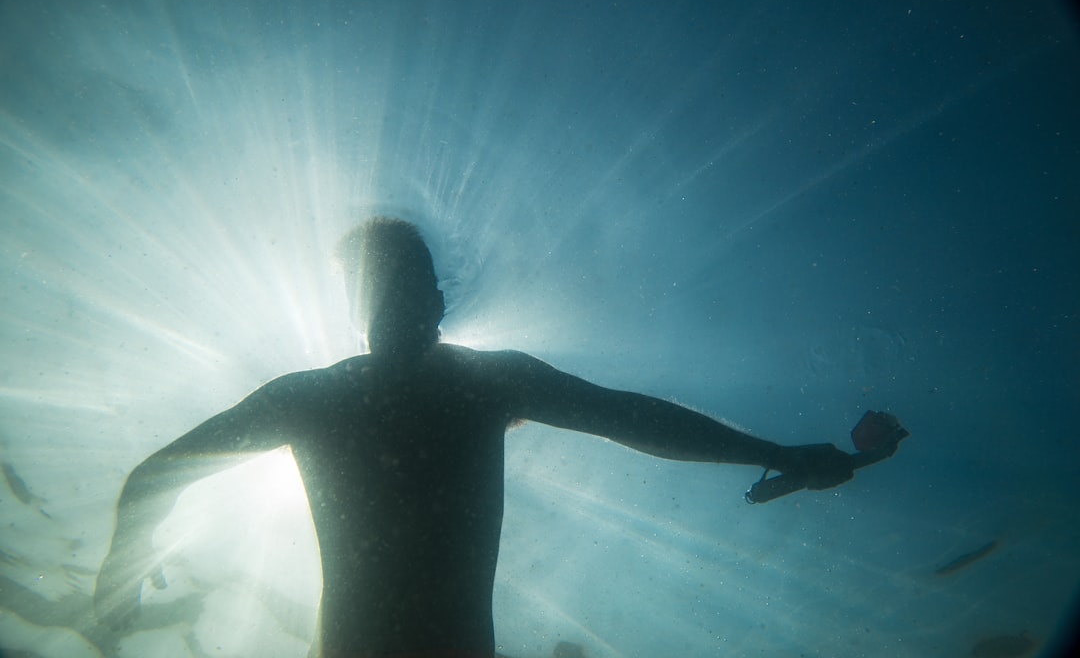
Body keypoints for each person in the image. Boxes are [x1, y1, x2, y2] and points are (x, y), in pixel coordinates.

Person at [94, 217, 855, 658]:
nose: (397, 300)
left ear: (435, 299)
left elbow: (632, 418)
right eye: (381, 284)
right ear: (365, 305)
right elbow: (153, 476)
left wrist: (778, 453)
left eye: (406, 283)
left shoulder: (442, 387)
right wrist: (116, 577)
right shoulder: (337, 395)